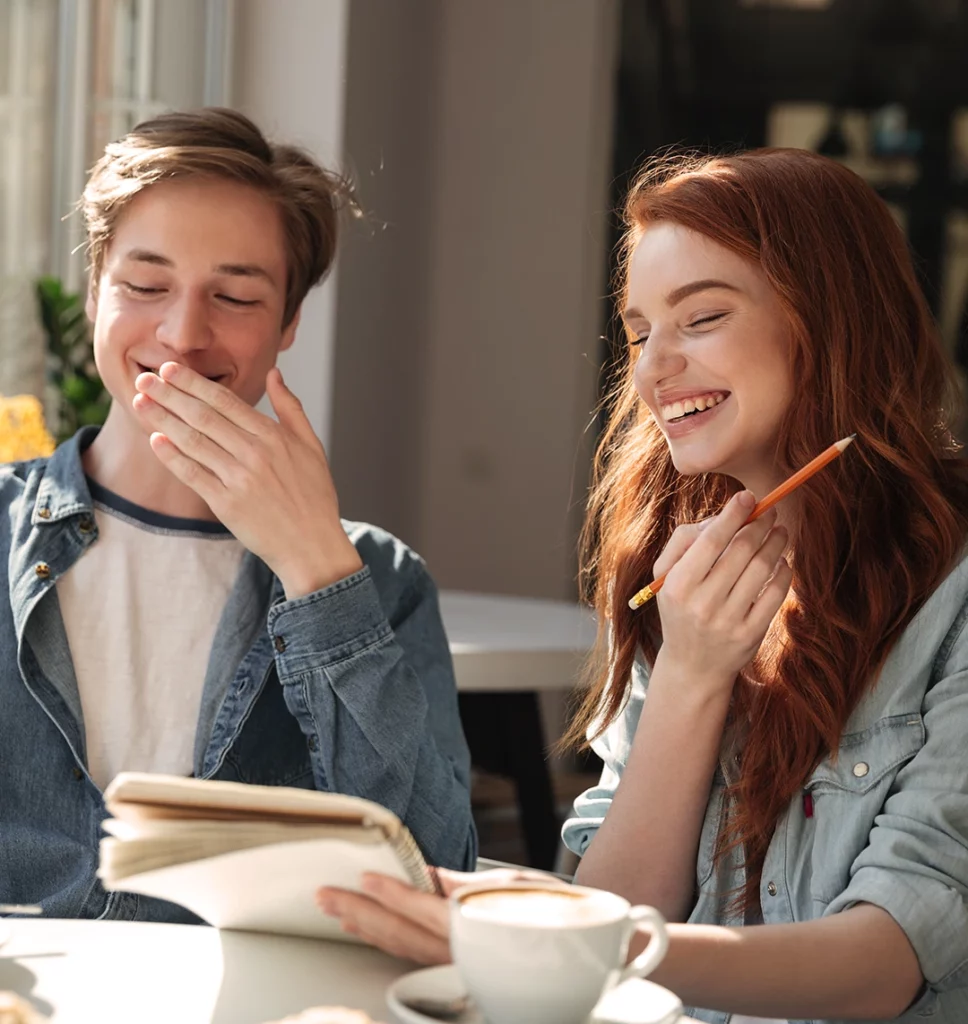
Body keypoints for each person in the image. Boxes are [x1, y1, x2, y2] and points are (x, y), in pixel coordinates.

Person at [318, 148, 968, 1024]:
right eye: (636, 333)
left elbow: (884, 964)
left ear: (832, 319)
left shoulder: (953, 601)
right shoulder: (682, 581)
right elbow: (621, 904)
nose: (653, 370)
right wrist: (693, 679)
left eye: (699, 318)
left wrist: (544, 942)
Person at [0, 108, 476, 921]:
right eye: (146, 286)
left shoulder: (379, 583)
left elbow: (435, 874)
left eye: (235, 295)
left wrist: (318, 572)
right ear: (95, 292)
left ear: (289, 323)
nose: (183, 335)